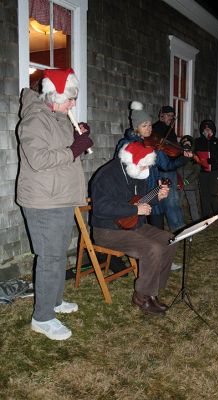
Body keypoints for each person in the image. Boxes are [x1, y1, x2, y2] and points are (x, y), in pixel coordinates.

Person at [16, 68, 93, 340]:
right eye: (70, 98)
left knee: (59, 254)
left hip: (60, 196)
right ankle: (43, 318)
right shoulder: (35, 120)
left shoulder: (60, 118)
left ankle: (55, 301)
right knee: (49, 257)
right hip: (42, 201)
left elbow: (68, 157)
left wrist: (79, 139)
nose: (73, 104)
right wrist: (75, 148)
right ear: (54, 95)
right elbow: (40, 160)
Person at [91, 141, 178, 316]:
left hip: (133, 225)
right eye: (143, 165)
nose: (146, 169)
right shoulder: (107, 175)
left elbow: (139, 200)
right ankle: (142, 297)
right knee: (152, 249)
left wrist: (157, 196)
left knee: (169, 240)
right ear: (131, 161)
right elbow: (101, 207)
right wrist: (135, 210)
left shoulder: (136, 171)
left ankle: (153, 290)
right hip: (108, 230)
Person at [115, 101, 192, 271]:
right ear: (136, 127)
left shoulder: (154, 145)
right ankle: (134, 259)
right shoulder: (125, 144)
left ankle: (164, 261)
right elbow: (118, 168)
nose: (149, 128)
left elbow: (166, 165)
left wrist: (184, 158)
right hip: (134, 193)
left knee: (158, 227)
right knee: (135, 226)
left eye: (150, 124)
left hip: (152, 191)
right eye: (145, 125)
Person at [152, 106, 186, 232]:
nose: (170, 118)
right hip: (162, 169)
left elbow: (173, 148)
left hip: (170, 167)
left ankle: (179, 226)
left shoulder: (170, 130)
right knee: (171, 199)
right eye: (168, 115)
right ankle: (178, 228)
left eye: (172, 116)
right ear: (161, 115)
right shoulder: (155, 128)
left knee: (173, 199)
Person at [194, 119, 218, 223]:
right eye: (205, 128)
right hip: (203, 172)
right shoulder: (198, 141)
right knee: (204, 195)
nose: (207, 130)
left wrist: (214, 160)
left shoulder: (217, 141)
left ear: (213, 129)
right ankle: (206, 218)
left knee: (215, 194)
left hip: (214, 172)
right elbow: (193, 156)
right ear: (202, 130)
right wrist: (198, 160)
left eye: (209, 128)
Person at [177, 135, 201, 222]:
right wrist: (178, 180)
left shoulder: (194, 156)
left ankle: (196, 222)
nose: (186, 145)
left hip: (190, 185)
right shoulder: (179, 155)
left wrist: (187, 181)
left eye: (188, 143)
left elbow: (197, 171)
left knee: (193, 204)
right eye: (185, 143)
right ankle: (179, 222)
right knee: (178, 204)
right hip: (179, 184)